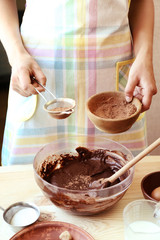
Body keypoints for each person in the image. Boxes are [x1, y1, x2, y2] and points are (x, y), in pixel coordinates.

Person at [0, 0, 157, 165]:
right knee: (27, 182)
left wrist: (144, 57)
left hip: (110, 76)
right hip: (39, 73)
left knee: (122, 175)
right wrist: (16, 56)